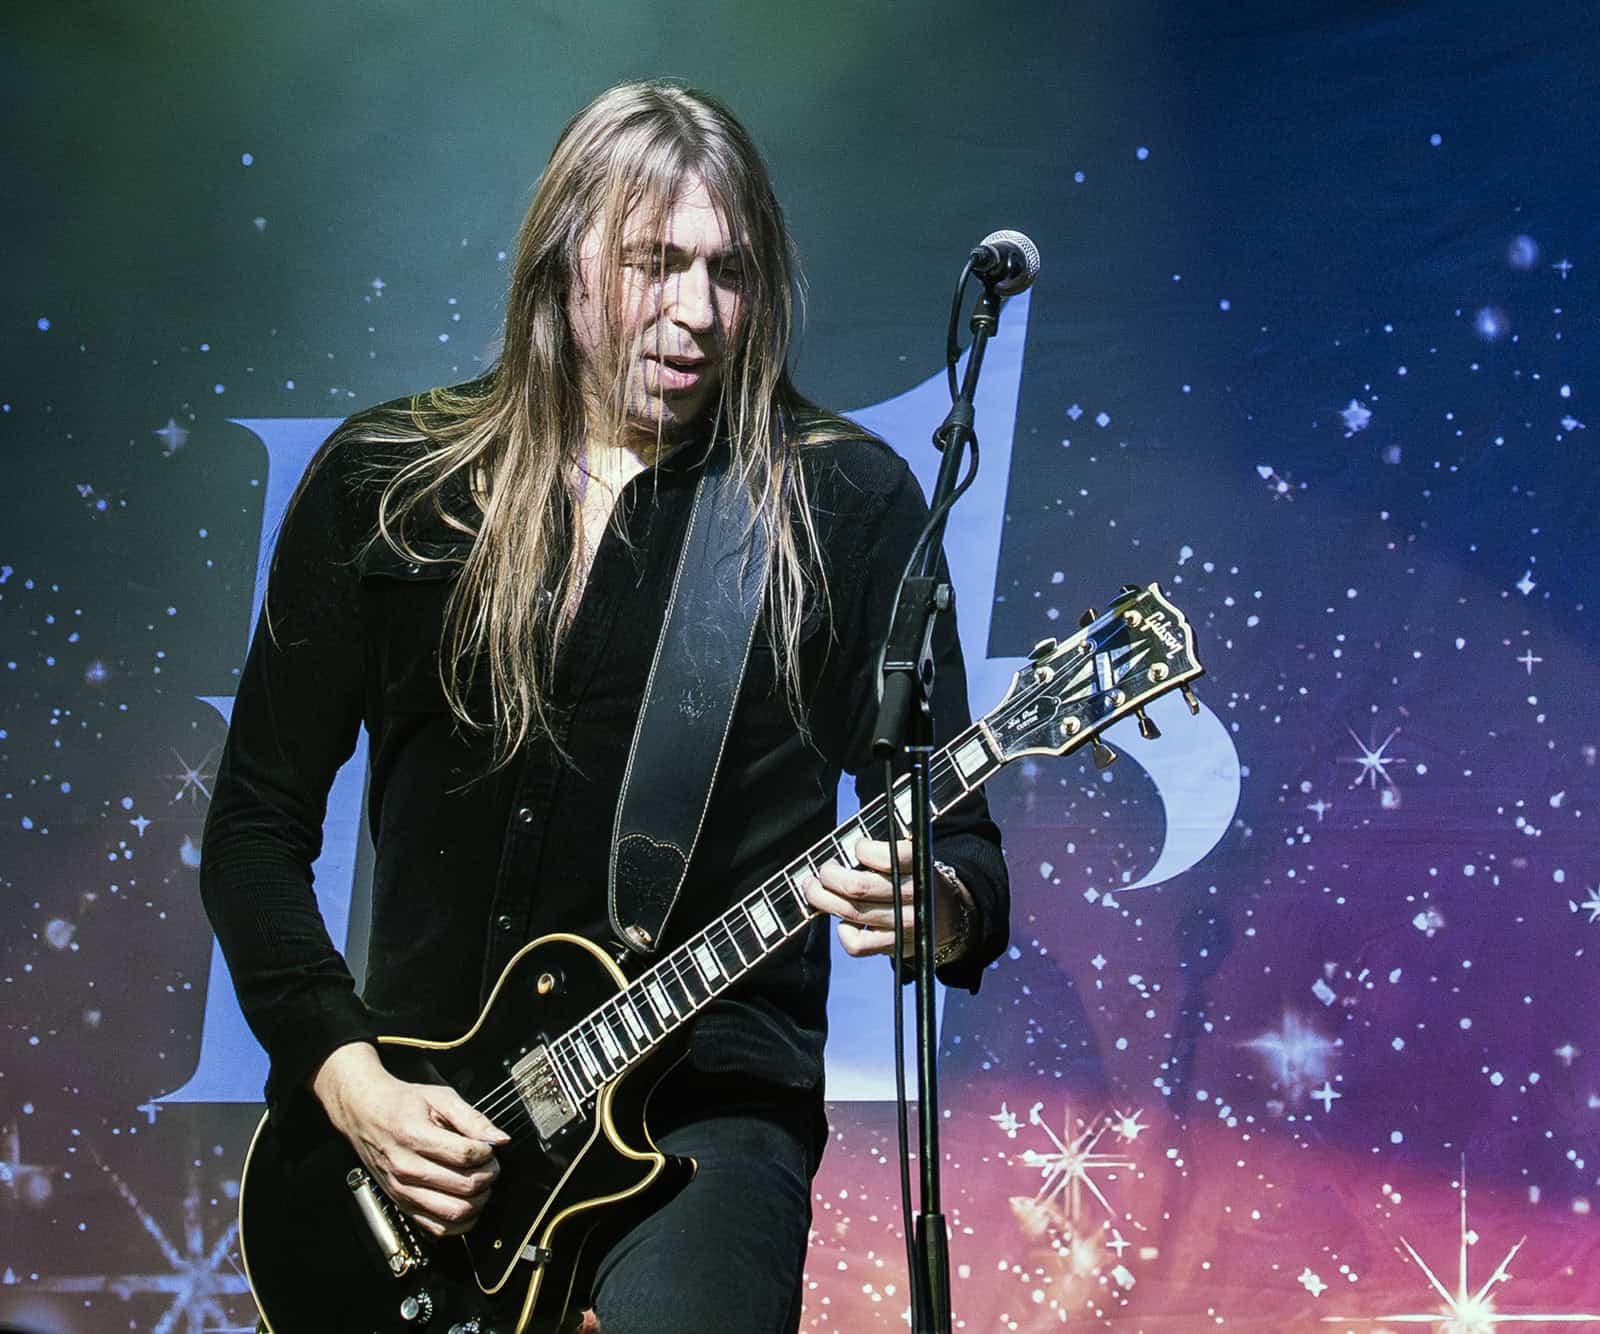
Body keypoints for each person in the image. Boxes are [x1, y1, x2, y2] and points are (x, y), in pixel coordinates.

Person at [201, 80, 1008, 1334]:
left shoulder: (841, 505)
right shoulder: (389, 484)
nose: (696, 311)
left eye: (729, 272)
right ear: (562, 260)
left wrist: (937, 906)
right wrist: (349, 1079)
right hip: (420, 1126)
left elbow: (961, 850)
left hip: (701, 1116)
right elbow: (253, 831)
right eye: (654, 264)